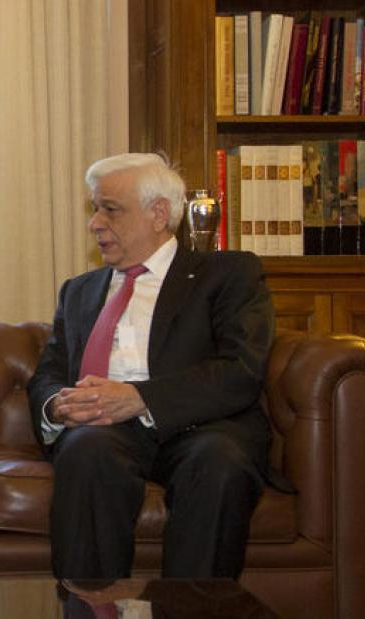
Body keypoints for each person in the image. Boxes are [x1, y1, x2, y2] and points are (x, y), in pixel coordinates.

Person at [27, 152, 281, 579]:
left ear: (159, 214)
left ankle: (193, 607)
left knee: (219, 463)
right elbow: (49, 373)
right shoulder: (79, 291)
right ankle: (89, 602)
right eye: (95, 209)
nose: (95, 223)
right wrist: (57, 405)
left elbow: (241, 368)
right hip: (106, 429)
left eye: (110, 209)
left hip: (204, 426)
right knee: (85, 451)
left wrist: (140, 398)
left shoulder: (227, 274)